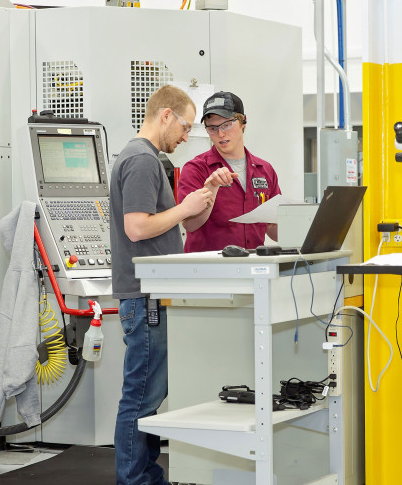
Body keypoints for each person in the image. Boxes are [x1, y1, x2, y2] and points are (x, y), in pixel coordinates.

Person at [110, 85, 212, 485]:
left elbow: (162, 224)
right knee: (141, 397)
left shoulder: (148, 159)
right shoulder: (141, 161)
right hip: (145, 297)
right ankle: (134, 480)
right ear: (165, 115)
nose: (186, 137)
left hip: (151, 297)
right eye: (185, 127)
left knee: (148, 396)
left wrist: (193, 206)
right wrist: (183, 208)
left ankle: (146, 475)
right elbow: (136, 228)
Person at [177, 91, 282, 252]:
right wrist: (211, 188)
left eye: (226, 125)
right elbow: (190, 224)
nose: (220, 134)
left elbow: (275, 233)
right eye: (212, 128)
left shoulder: (265, 170)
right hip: (208, 271)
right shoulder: (196, 169)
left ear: (243, 122)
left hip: (253, 270)